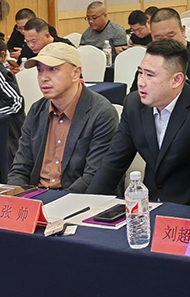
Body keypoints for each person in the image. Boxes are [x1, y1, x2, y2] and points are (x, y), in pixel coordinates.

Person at [88, 40, 190, 204]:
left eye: (150, 75)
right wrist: (89, 203)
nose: (141, 82)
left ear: (176, 80)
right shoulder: (134, 104)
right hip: (149, 203)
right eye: (140, 73)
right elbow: (114, 162)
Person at [8, 43, 117, 192]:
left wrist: (57, 201)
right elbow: (21, 167)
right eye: (40, 70)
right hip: (36, 195)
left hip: (78, 198)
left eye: (53, 69)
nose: (44, 78)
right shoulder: (37, 110)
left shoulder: (101, 113)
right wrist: (15, 195)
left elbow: (94, 176)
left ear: (76, 73)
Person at [130, 8, 190, 95]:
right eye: (158, 38)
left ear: (182, 31)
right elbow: (135, 96)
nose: (165, 42)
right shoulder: (150, 62)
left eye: (171, 36)